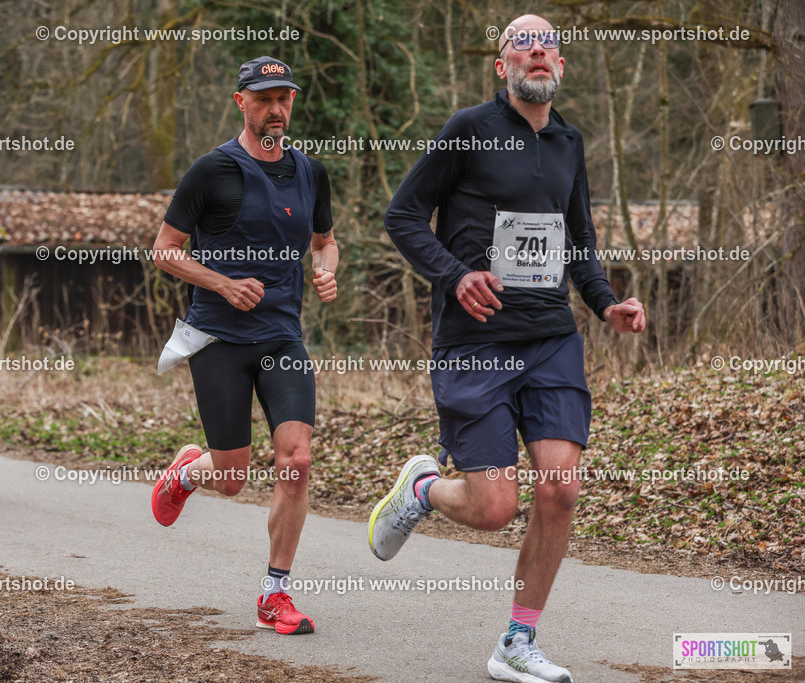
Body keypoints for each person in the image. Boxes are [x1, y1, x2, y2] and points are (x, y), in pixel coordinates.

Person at [371, 14, 645, 683]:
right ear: (503, 67)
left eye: (548, 44)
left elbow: (579, 238)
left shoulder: (569, 141)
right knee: (495, 509)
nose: (538, 51)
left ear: (560, 65)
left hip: (550, 336)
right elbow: (402, 215)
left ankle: (518, 641)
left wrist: (606, 302)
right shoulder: (469, 128)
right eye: (522, 43)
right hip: (476, 342)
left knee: (561, 488)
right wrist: (454, 275)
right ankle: (424, 488)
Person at [151, 56, 338, 636]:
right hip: (219, 339)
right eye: (263, 99)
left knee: (296, 460)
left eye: (284, 98)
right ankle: (187, 473)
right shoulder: (212, 170)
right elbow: (165, 250)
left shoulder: (311, 172)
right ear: (241, 102)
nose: (275, 109)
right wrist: (223, 283)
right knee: (232, 477)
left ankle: (274, 594)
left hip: (281, 336)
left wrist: (326, 269)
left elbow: (325, 241)